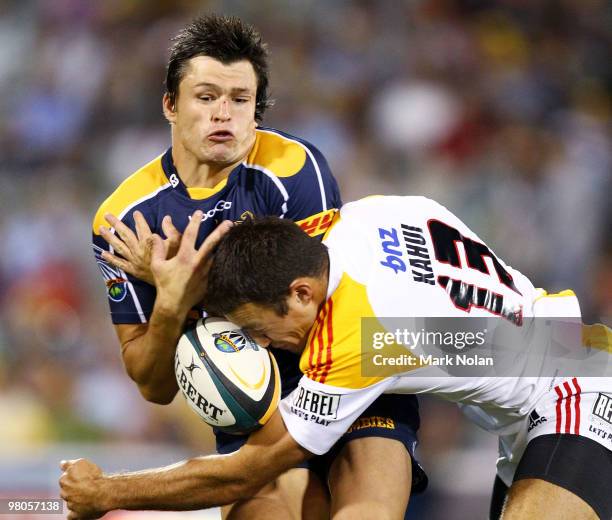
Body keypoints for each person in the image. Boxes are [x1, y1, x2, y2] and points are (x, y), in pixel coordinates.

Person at [65, 195, 611, 520]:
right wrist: (168, 281)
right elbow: (254, 256)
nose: (269, 345)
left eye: (262, 331)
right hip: (549, 377)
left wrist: (108, 492)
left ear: (303, 293)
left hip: (576, 390)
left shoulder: (360, 336)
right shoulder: (354, 222)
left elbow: (245, 473)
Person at [91, 15, 424, 519]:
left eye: (240, 99)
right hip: (251, 400)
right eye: (205, 97)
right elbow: (154, 387)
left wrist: (180, 288)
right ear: (170, 105)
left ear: (257, 110)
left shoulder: (293, 168)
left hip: (349, 371)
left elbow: (312, 305)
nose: (223, 113)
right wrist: (171, 304)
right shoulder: (126, 219)